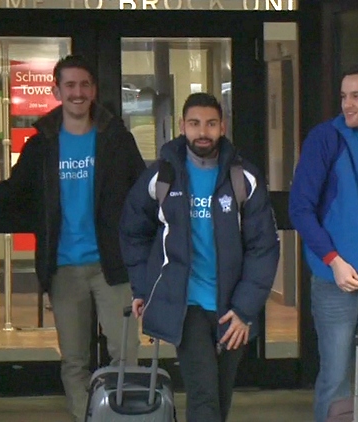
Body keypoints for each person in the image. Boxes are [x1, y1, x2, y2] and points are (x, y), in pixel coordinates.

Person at [0, 54, 144, 421]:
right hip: (63, 267)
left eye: (84, 85)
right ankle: (85, 416)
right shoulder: (42, 143)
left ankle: (125, 417)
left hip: (112, 266)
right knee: (74, 360)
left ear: (94, 90)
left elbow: (141, 193)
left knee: (125, 354)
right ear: (56, 90)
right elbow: (11, 193)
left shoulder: (116, 138)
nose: (78, 92)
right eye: (70, 85)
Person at [119, 92, 279, 422]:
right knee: (203, 393)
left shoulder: (243, 178)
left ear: (222, 127)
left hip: (231, 308)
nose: (202, 131)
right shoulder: (161, 177)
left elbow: (262, 247)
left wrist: (244, 310)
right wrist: (142, 288)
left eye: (210, 123)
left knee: (220, 395)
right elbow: (133, 233)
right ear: (182, 126)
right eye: (194, 123)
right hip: (185, 304)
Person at [288, 63, 358, 422]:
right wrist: (332, 260)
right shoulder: (327, 138)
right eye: (343, 96)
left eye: (356, 96)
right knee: (335, 378)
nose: (347, 104)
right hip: (335, 281)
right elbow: (300, 207)